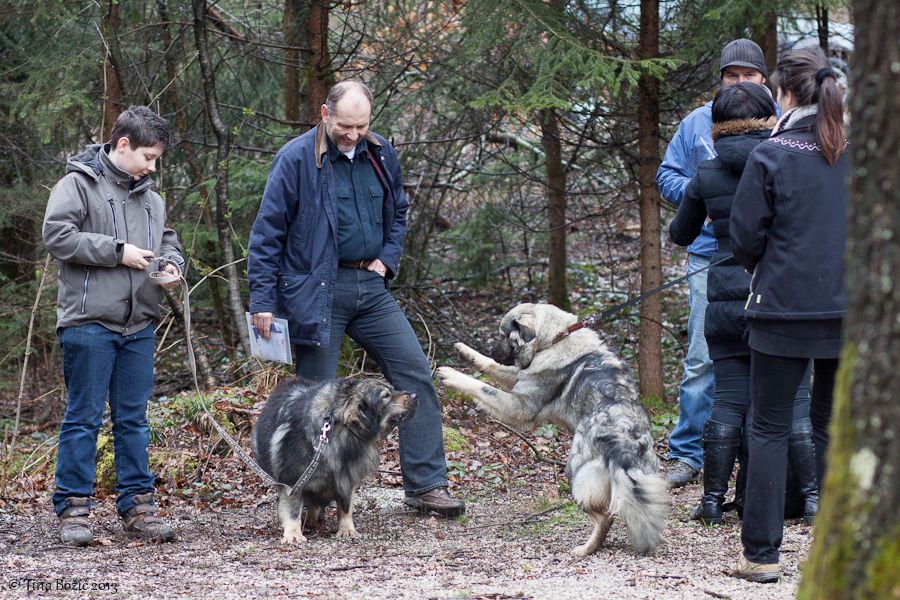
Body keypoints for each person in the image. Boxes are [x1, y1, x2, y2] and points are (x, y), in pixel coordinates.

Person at [247, 80, 464, 518]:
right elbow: (267, 233)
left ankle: (426, 485)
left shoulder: (380, 152)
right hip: (318, 292)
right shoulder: (295, 160)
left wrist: (387, 258)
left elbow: (399, 210)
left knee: (414, 375)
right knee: (317, 399)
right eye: (345, 125)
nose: (352, 134)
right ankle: (309, 496)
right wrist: (262, 300)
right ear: (325, 114)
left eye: (361, 126)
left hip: (372, 287)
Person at [669, 83, 818, 526]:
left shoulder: (707, 174)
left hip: (725, 302)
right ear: (769, 119)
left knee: (728, 401)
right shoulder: (787, 163)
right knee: (794, 403)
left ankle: (712, 502)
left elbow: (680, 234)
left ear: (716, 126)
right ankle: (811, 501)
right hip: (780, 299)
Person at [728, 46, 848, 583]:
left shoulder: (771, 154)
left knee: (771, 426)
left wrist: (766, 264)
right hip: (849, 312)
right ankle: (840, 547)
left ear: (785, 94)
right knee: (832, 426)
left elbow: (744, 236)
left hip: (780, 310)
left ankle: (761, 555)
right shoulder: (860, 153)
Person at [43, 106, 184, 546]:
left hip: (139, 324)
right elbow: (57, 235)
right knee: (83, 418)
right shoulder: (77, 185)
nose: (152, 166)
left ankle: (138, 508)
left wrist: (173, 264)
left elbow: (167, 239)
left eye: (157, 159)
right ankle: (73, 512)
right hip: (88, 322)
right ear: (123, 144)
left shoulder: (152, 198)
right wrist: (117, 250)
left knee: (133, 420)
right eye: (147, 156)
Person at [657, 39, 772, 486]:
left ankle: (758, 454)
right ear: (720, 78)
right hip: (709, 255)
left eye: (749, 75)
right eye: (732, 75)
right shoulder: (696, 123)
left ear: (764, 78)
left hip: (767, 261)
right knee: (703, 358)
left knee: (770, 356)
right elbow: (666, 173)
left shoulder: (777, 124)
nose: (740, 83)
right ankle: (686, 453)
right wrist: (697, 195)